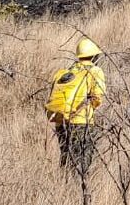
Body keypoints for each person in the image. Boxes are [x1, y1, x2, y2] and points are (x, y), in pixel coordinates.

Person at [44, 37, 107, 175]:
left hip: (61, 122)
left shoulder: (66, 72)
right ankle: (78, 192)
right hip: (81, 123)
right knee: (82, 164)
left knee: (66, 160)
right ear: (94, 56)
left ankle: (64, 189)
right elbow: (97, 98)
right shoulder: (95, 71)